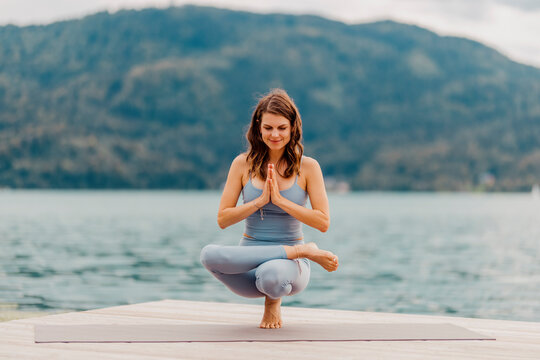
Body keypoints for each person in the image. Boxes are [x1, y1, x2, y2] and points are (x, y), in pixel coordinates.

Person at [200, 88, 339, 329]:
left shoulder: (308, 167)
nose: (275, 134)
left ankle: (275, 300)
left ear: (293, 128)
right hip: (249, 260)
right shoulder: (242, 164)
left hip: (285, 272)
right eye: (268, 127)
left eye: (282, 128)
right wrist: (259, 201)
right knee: (208, 255)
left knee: (271, 276)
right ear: (258, 127)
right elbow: (223, 219)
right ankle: (302, 251)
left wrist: (282, 201)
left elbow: (322, 222)